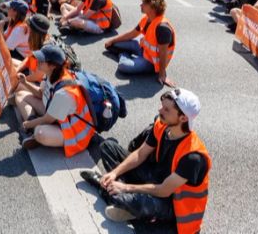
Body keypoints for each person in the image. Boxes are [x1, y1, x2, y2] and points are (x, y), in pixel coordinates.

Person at [81, 88, 210, 230]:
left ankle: (111, 191)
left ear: (183, 118)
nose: (160, 111)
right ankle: (122, 198)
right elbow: (140, 154)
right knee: (108, 147)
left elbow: (163, 191)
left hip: (172, 203)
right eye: (162, 106)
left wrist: (125, 187)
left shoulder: (193, 157)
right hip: (154, 179)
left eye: (167, 110)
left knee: (131, 198)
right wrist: (115, 173)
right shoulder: (162, 126)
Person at [14, 44, 96, 155]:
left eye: (42, 60)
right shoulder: (49, 74)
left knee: (40, 133)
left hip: (71, 128)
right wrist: (25, 83)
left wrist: (27, 124)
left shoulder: (65, 92)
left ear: (52, 65)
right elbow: (40, 94)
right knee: (20, 95)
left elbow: (47, 120)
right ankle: (33, 126)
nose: (37, 61)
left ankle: (35, 132)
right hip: (56, 114)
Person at [104, 0, 176, 85]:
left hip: (151, 62)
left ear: (152, 7)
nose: (140, 5)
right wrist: (112, 40)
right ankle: (127, 55)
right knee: (112, 45)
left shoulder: (162, 28)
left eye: (144, 4)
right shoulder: (146, 18)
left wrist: (162, 75)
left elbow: (163, 53)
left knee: (123, 66)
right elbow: (132, 34)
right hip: (143, 49)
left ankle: (123, 54)